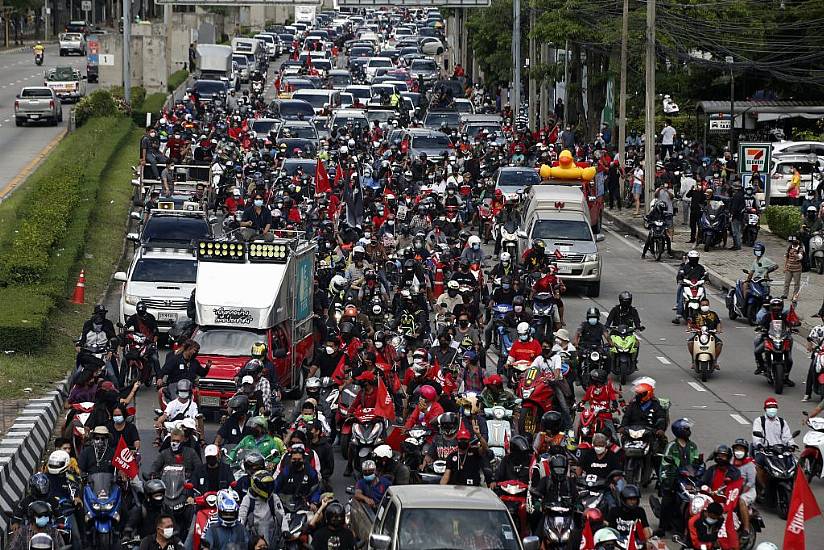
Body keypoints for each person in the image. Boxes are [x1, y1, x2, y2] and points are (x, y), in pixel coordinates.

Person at [655, 418, 700, 538]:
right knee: (667, 502)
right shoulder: (671, 446)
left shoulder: (693, 446)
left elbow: (696, 463)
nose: (688, 431)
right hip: (673, 479)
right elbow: (665, 465)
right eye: (686, 429)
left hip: (688, 480)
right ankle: (662, 527)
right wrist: (666, 481)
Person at [752, 397, 796, 495]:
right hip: (765, 451)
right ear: (765, 409)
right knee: (759, 465)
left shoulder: (781, 422)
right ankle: (763, 488)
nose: (772, 409)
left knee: (794, 465)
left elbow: (787, 437)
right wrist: (759, 445)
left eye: (774, 407)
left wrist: (792, 445)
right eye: (770, 407)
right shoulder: (759, 421)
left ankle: (796, 489)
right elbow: (756, 437)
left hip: (780, 451)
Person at [238, 470, 285, 548]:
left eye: (270, 485)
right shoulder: (248, 499)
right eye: (266, 485)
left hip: (271, 535)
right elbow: (242, 516)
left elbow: (281, 514)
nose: (268, 488)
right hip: (253, 537)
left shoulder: (274, 497)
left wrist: (285, 530)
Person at [606, 485, 651, 549]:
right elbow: (609, 530)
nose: (633, 502)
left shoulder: (640, 511)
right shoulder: (614, 511)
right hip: (617, 542)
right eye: (630, 499)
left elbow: (645, 527)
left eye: (635, 499)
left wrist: (648, 540)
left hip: (635, 542)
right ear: (624, 499)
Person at [686, 297, 723, 368]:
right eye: (703, 305)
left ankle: (715, 361)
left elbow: (718, 323)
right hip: (698, 334)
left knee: (719, 344)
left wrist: (718, 330)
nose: (705, 306)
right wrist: (689, 329)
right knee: (690, 343)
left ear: (709, 305)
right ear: (700, 306)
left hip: (711, 334)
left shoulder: (713, 314)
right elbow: (689, 322)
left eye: (706, 305)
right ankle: (693, 360)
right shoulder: (696, 314)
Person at [673, 250, 707, 324]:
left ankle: (705, 310)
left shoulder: (700, 267)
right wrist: (680, 278)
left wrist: (705, 278)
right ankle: (678, 315)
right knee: (681, 295)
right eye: (692, 259)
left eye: (695, 259)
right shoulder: (685, 267)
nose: (694, 260)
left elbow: (704, 275)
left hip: (697, 286)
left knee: (703, 293)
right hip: (686, 285)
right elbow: (680, 274)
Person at [732, 438, 756, 536]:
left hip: (747, 491)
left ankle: (746, 529)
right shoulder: (730, 462)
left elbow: (750, 482)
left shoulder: (750, 465)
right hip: (732, 489)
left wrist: (740, 493)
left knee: (741, 500)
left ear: (745, 451)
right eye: (737, 449)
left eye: (741, 449)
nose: (738, 451)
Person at [782, 235, 804, 299]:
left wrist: (796, 255)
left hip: (797, 269)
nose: (793, 243)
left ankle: (795, 296)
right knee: (786, 282)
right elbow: (787, 257)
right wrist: (785, 267)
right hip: (789, 268)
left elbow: (800, 257)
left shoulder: (800, 248)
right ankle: (785, 294)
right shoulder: (789, 247)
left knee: (796, 283)